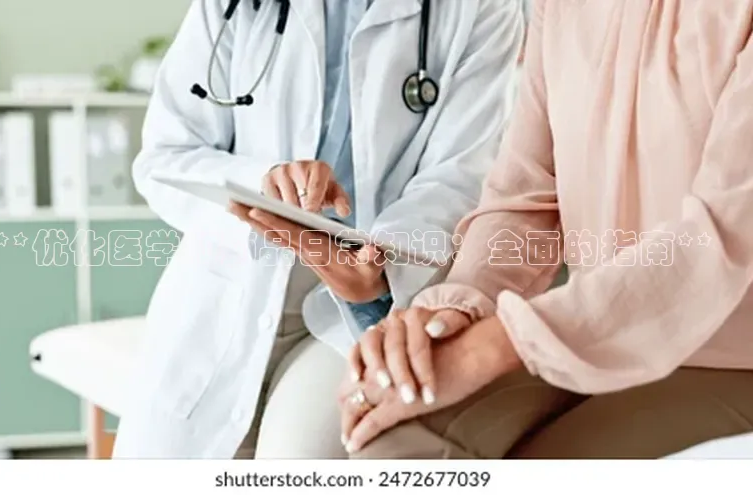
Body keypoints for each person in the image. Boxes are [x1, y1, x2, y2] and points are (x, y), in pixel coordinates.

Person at [339, 0, 753, 459]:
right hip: (586, 331)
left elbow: (718, 240)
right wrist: (453, 310)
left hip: (731, 358)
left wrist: (496, 344)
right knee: (393, 441)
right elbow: (524, 196)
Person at [112, 0, 525, 459]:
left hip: (366, 302)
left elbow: (460, 174)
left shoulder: (481, 8)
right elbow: (165, 156)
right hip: (232, 285)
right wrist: (264, 184)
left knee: (299, 457)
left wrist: (381, 266)